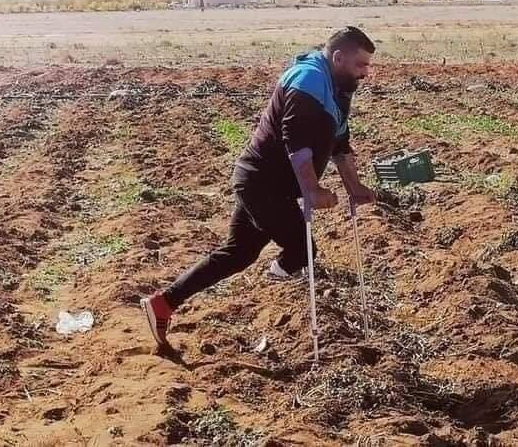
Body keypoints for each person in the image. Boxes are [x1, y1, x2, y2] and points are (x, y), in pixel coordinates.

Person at [141, 26, 377, 347]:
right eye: (360, 65)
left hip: (267, 184)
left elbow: (339, 143)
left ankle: (163, 303)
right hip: (262, 182)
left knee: (237, 253)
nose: (366, 73)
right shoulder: (308, 79)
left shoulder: (338, 89)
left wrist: (355, 187)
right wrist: (310, 189)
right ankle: (275, 285)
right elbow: (294, 138)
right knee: (302, 250)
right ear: (338, 57)